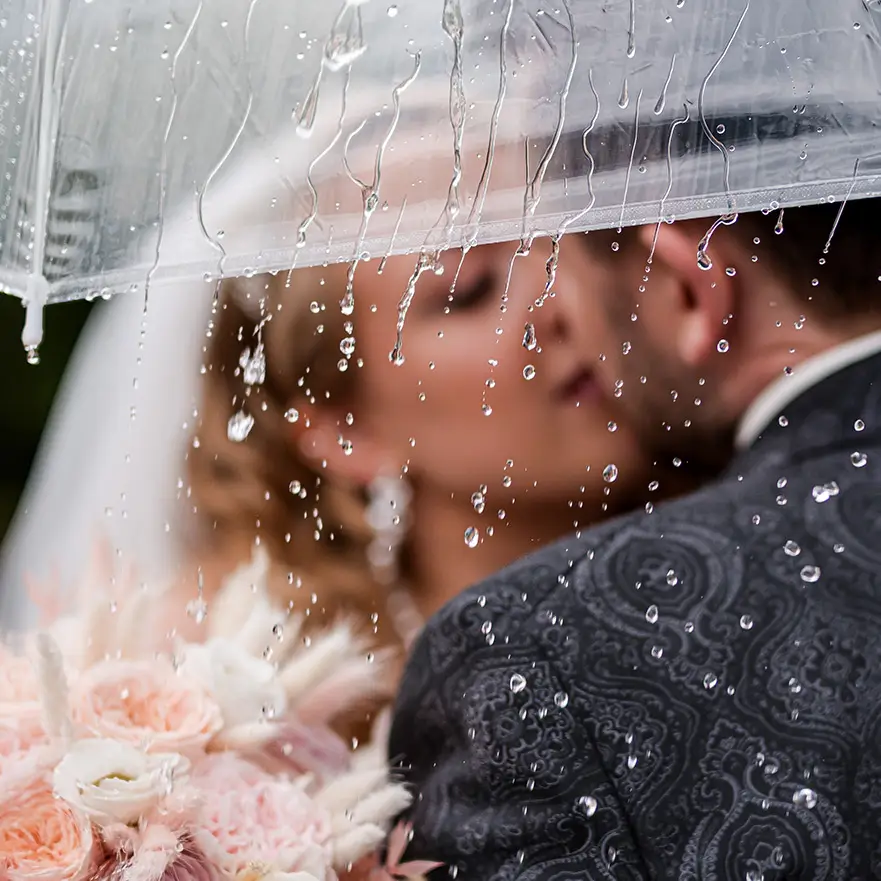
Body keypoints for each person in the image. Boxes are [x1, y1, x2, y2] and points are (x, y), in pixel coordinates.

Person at [390, 197, 881, 879]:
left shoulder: (531, 653)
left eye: (564, 259)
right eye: (471, 291)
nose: (553, 311)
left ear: (689, 285)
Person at [184, 236, 703, 675]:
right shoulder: (290, 712)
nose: (564, 297)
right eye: (471, 291)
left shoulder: (762, 533)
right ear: (350, 432)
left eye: (576, 237)